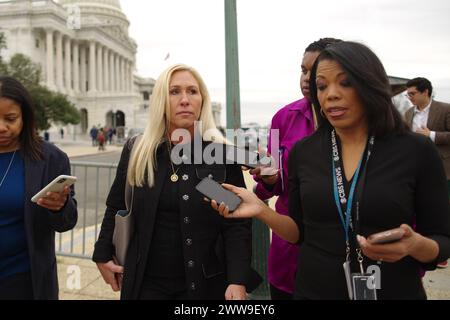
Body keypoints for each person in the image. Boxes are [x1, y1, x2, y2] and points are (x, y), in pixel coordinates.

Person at [211, 41, 450, 300]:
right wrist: (261, 211)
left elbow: (442, 242)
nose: (330, 94)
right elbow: (298, 232)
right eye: (321, 86)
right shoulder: (304, 152)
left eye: (345, 83)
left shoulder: (416, 150)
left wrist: (415, 245)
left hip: (394, 288)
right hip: (314, 289)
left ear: (370, 85)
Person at [92, 64, 261, 300]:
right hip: (144, 285)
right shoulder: (138, 151)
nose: (184, 100)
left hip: (204, 286)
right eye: (174, 92)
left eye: (192, 91)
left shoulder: (219, 156)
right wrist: (102, 254)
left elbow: (235, 224)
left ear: (202, 100)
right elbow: (117, 205)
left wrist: (237, 280)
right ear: (161, 100)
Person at [251, 37, 341, 300]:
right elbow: (270, 189)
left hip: (340, 253)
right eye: (303, 70)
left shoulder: (362, 127)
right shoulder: (282, 118)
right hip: (288, 252)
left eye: (314, 71)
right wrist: (269, 179)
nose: (306, 78)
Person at [0, 76, 78, 300]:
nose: (1, 127)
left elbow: (67, 221)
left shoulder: (50, 158)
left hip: (24, 280)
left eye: (10, 118)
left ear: (25, 117)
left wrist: (59, 207)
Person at [404, 77, 450, 269]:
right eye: (407, 95)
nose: (409, 98)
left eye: (412, 94)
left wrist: (430, 135)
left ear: (426, 92)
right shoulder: (407, 114)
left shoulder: (445, 109)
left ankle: (442, 254)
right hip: (413, 171)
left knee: (442, 211)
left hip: (443, 170)